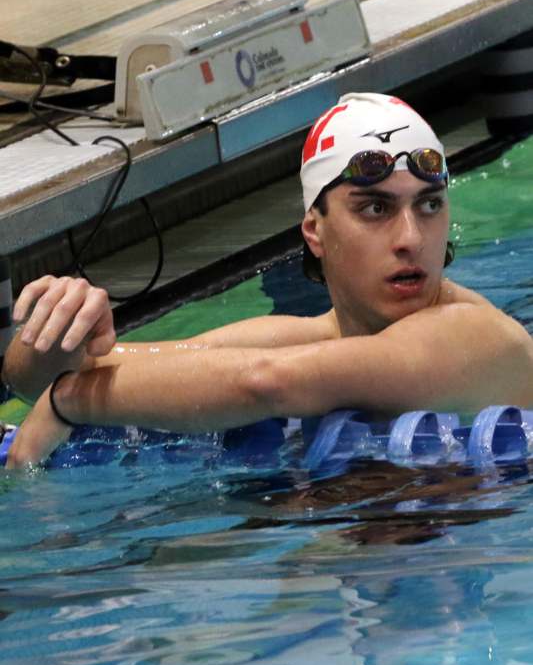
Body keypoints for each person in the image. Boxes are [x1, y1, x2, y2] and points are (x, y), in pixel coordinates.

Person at [4, 92, 533, 468]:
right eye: (375, 208)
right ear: (314, 231)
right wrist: (62, 330)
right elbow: (35, 383)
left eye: (430, 205)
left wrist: (67, 402)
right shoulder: (302, 340)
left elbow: (268, 381)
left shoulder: (474, 337)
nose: (411, 237)